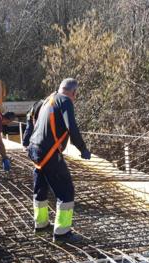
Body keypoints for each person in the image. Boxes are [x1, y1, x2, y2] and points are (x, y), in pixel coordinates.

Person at [27, 78, 91, 243]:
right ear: (73, 92)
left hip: (35, 150)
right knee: (66, 191)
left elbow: (33, 121)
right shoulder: (65, 101)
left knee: (40, 188)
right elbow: (72, 128)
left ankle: (41, 226)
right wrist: (82, 148)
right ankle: (62, 233)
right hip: (49, 153)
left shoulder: (48, 99)